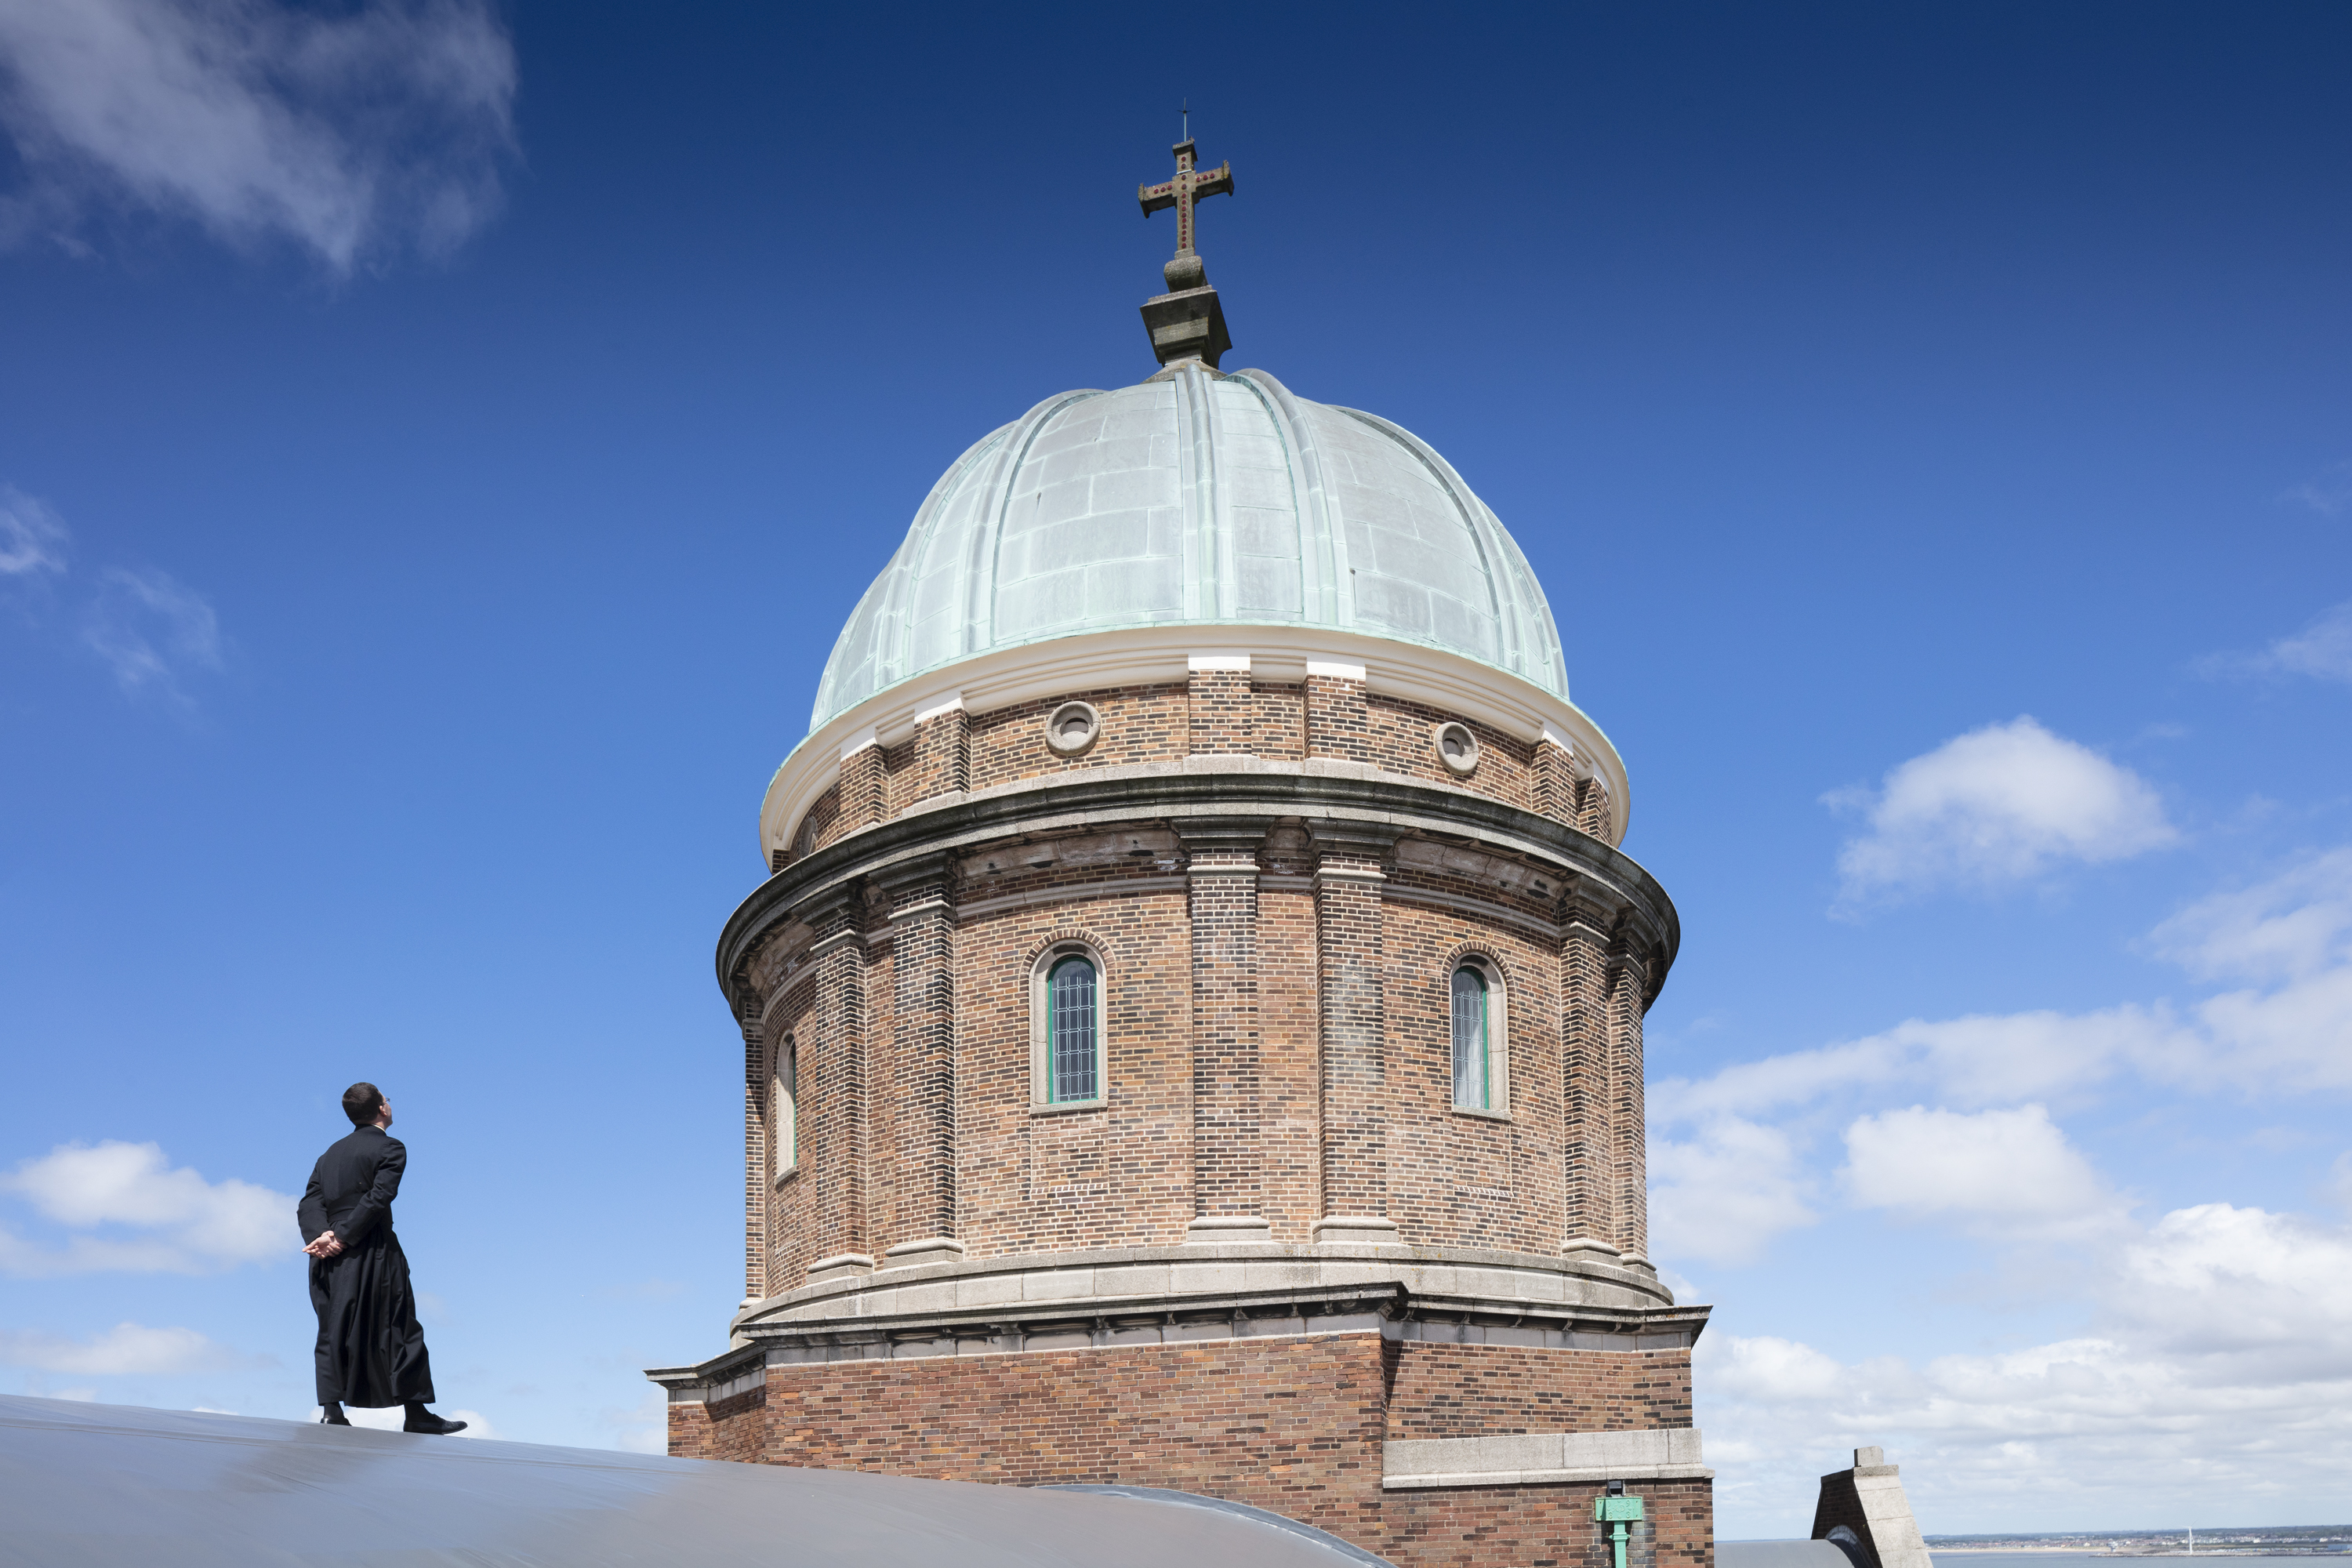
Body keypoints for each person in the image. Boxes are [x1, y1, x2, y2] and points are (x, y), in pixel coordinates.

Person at [296, 1083, 466, 1435]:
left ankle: (331, 1411)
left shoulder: (328, 1155)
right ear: (382, 1109)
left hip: (325, 1253)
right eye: (387, 1099)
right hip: (370, 1246)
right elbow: (379, 1197)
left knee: (331, 1328)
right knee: (399, 1324)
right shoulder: (391, 1147)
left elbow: (309, 1202)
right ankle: (416, 1413)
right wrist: (343, 1237)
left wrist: (322, 1236)